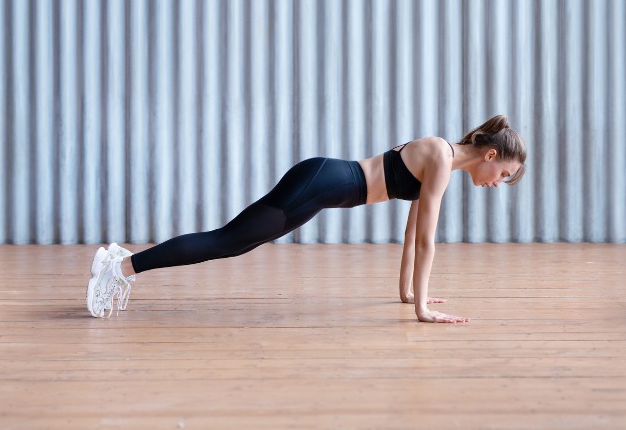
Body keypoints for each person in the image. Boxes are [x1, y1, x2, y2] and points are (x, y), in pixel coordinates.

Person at [86, 115, 526, 323]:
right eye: (503, 175)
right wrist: (423, 311)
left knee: (233, 241)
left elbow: (413, 231)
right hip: (318, 183)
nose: (496, 183)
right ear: (490, 156)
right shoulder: (440, 155)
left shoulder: (442, 160)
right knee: (227, 241)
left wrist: (410, 293)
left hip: (319, 185)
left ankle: (122, 264)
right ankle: (120, 267)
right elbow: (428, 239)